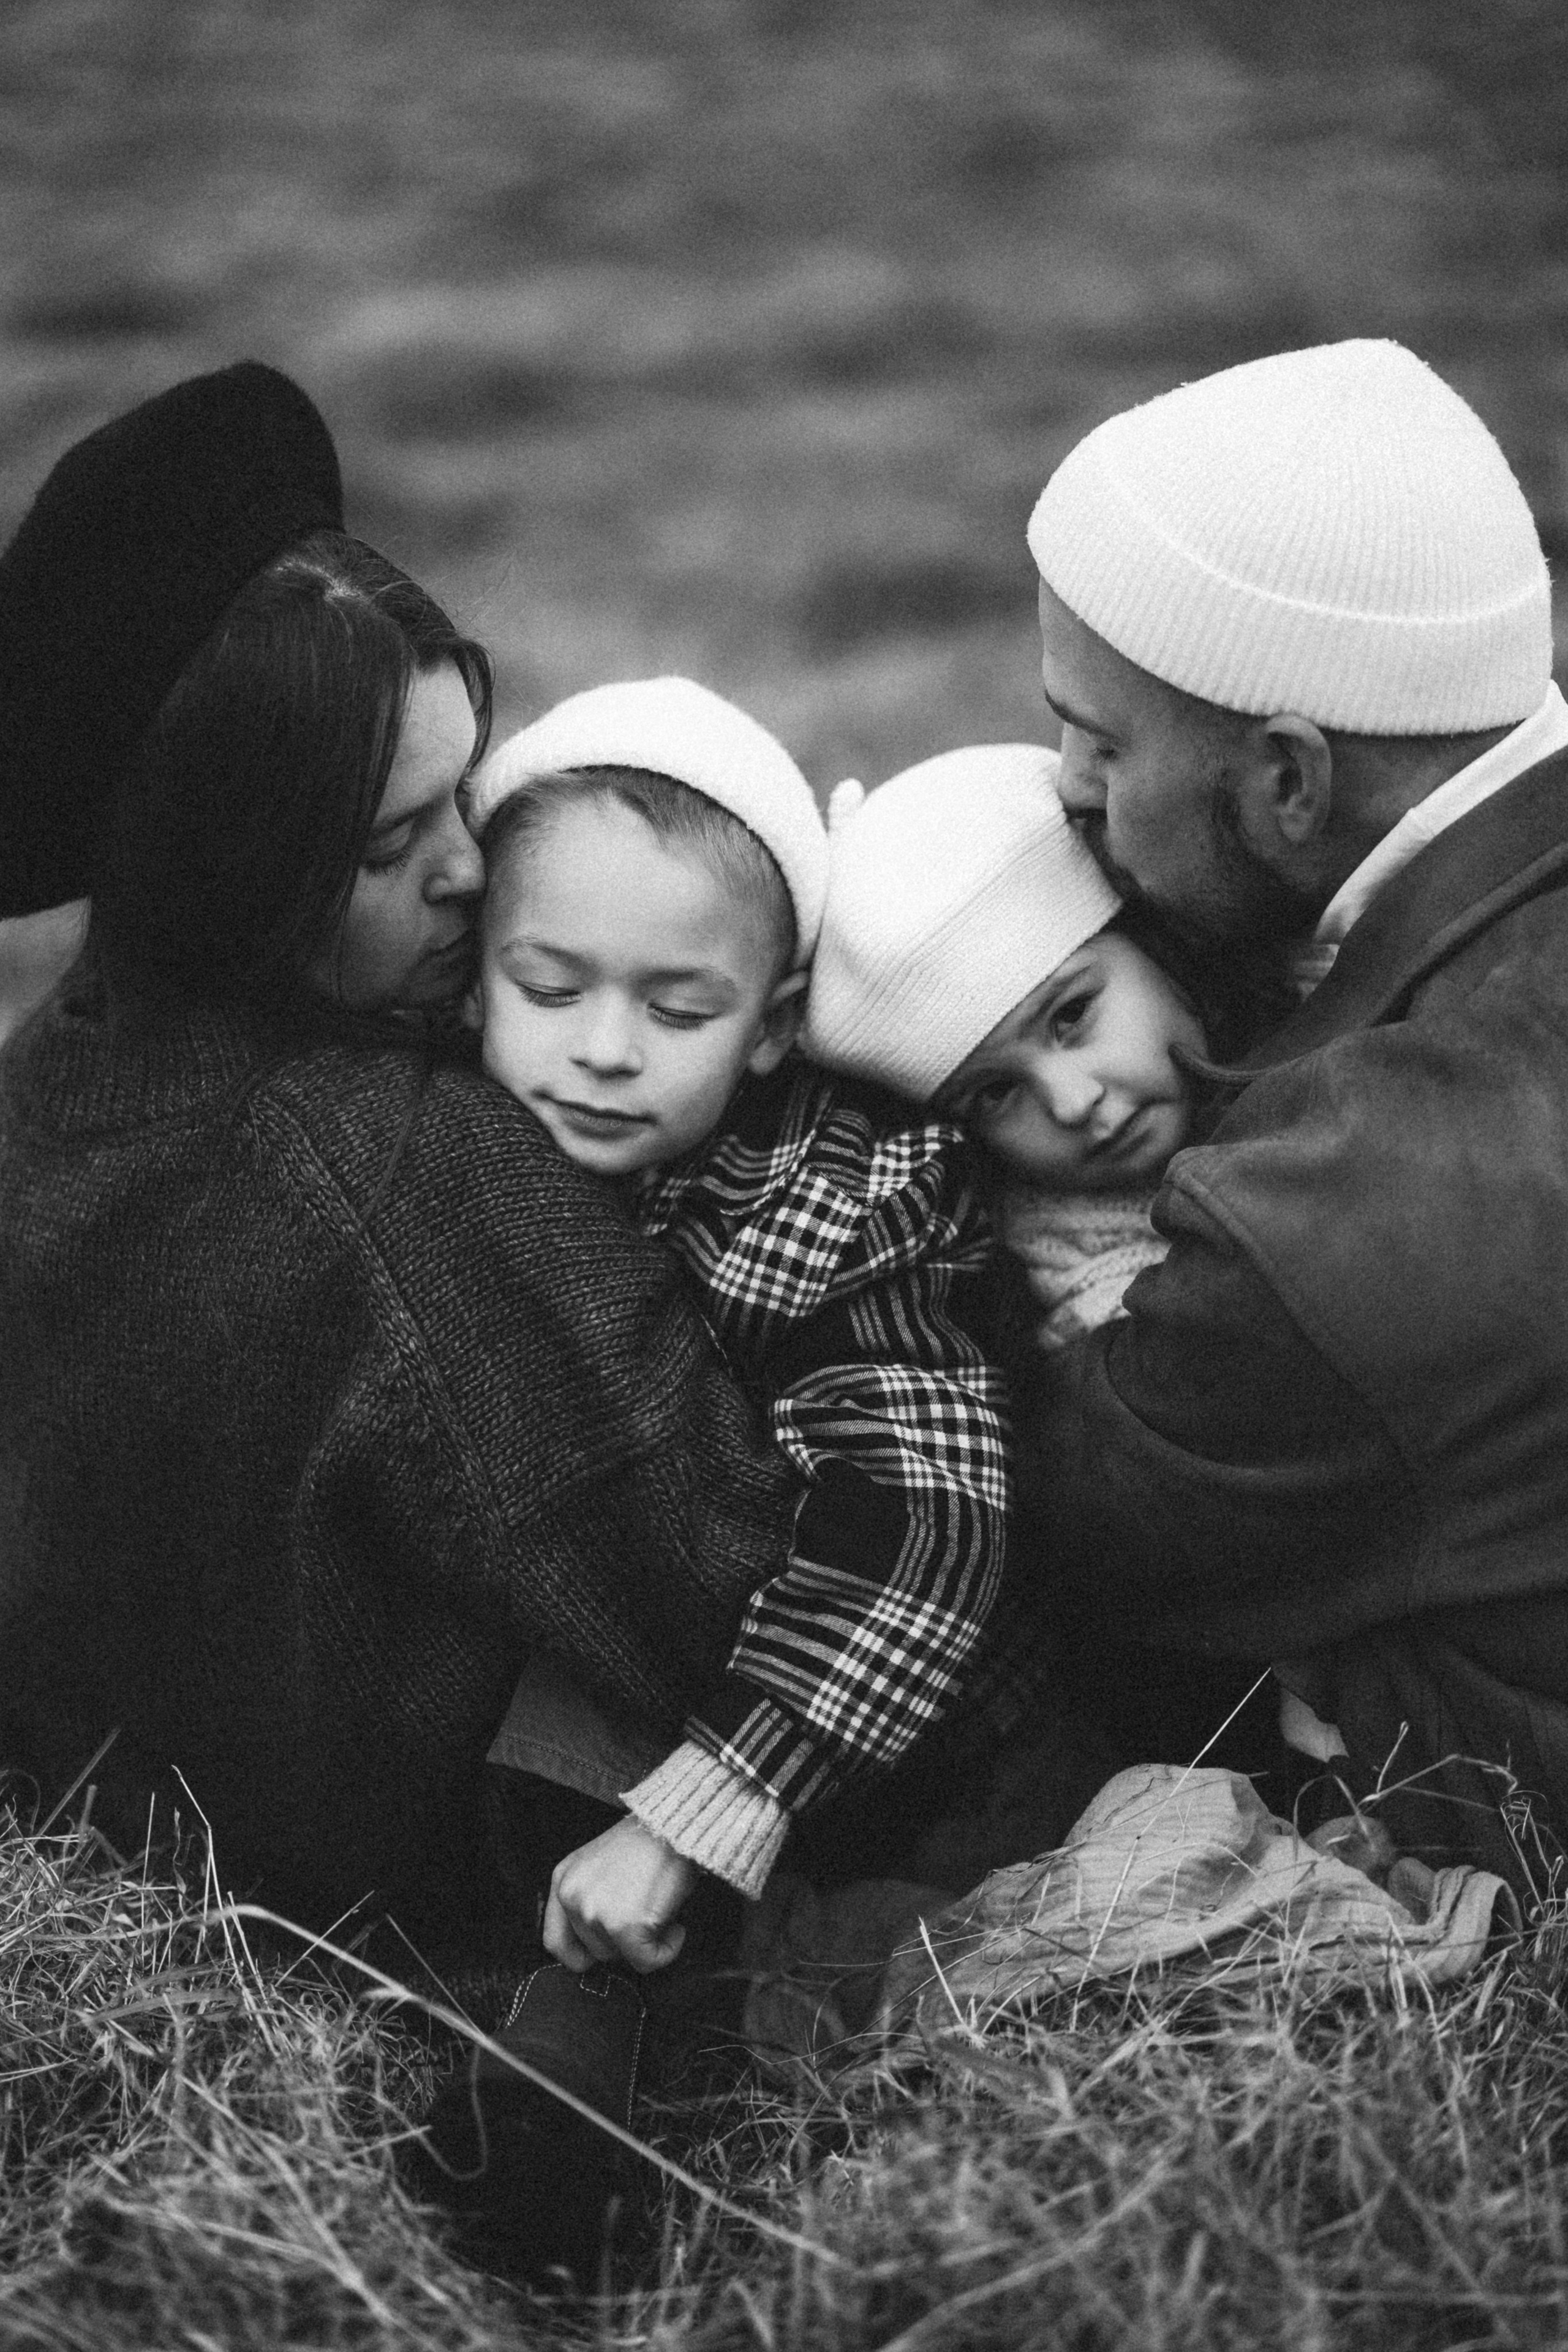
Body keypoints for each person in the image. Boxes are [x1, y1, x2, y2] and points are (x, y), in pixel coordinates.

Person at [0, 364, 807, 2278]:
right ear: (231, 868)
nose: (470, 867)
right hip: (447, 1958)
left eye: (468, 787)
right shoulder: (398, 1174)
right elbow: (719, 1576)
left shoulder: (52, 1084)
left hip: (166, 1904)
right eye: (387, 846)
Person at [1010, 336, 1568, 1893]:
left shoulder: (1341, 1200)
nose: (1058, 784)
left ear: (1286, 782)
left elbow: (1061, 1523)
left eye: (1097, 740)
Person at [463, 678, 1012, 1979]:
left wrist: (712, 1800)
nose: (602, 1049)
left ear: (769, 1028)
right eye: (547, 987)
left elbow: (925, 1518)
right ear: (471, 976)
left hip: (788, 1704)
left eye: (677, 1012)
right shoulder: (432, 1121)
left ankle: (583, 2036)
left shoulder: (840, 1204)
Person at [803, 741, 1209, 1355]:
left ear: (1151, 935)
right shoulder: (1093, 1305)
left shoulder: (1340, 1007)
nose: (1073, 1103)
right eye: (996, 1092)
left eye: (1071, 1014)